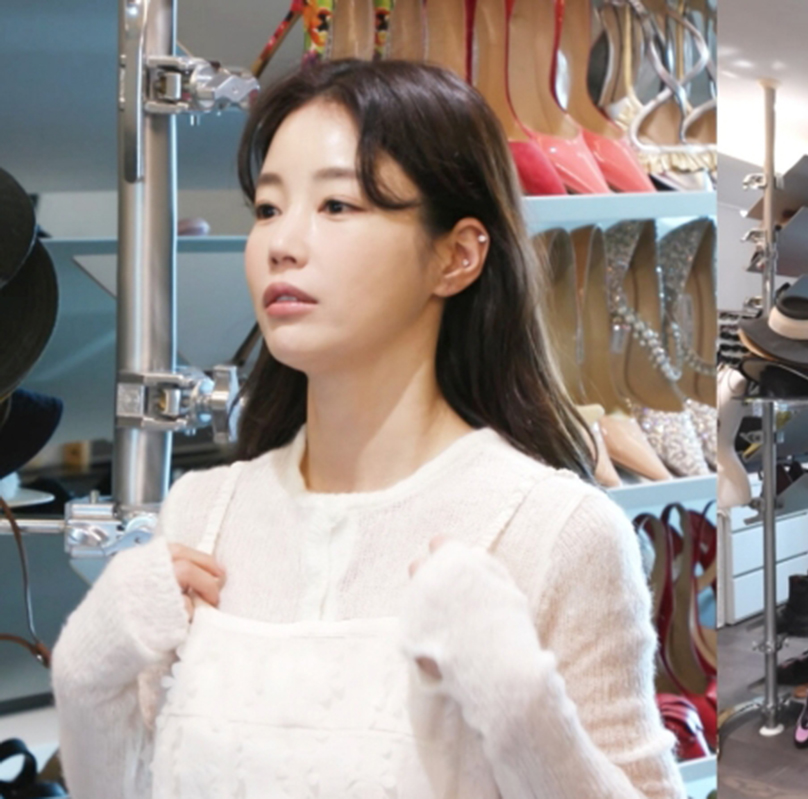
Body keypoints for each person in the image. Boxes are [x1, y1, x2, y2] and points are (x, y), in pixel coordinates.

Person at [50, 59, 686, 798]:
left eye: (337, 205)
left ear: (456, 255)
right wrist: (87, 674)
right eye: (267, 208)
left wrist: (519, 700)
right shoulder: (204, 513)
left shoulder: (557, 530)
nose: (282, 243)